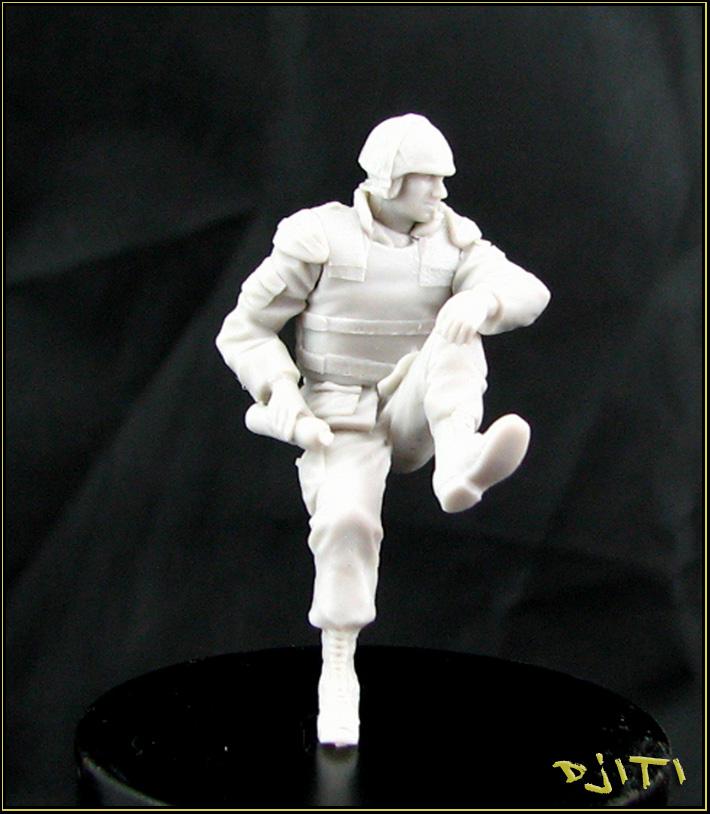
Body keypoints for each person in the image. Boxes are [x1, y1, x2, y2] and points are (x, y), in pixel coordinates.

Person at [216, 113, 550, 747]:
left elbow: (528, 290)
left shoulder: (453, 240)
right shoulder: (318, 237)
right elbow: (246, 329)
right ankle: (339, 668)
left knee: (460, 335)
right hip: (338, 416)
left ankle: (459, 461)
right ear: (390, 179)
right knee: (345, 522)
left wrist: (482, 300)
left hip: (415, 405)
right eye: (429, 179)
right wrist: (279, 390)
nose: (441, 193)